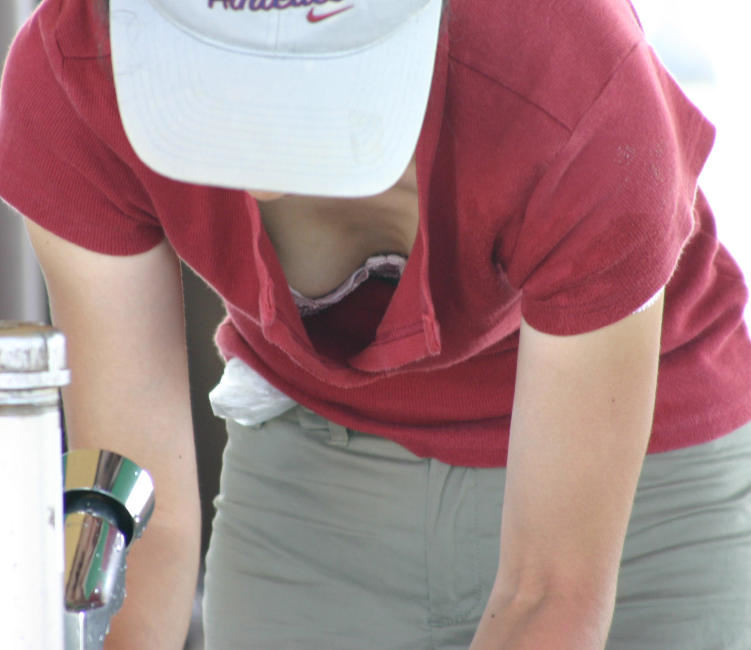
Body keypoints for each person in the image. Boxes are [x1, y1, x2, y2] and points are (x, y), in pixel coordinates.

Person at [1, 0, 750, 648]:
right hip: (319, 470)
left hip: (641, 480)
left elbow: (551, 590)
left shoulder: (574, 81)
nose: (252, 132)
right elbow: (144, 517)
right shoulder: (78, 68)